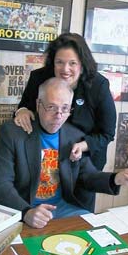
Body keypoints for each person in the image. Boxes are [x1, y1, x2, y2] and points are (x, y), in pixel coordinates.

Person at [0, 78, 128, 229]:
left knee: (95, 232)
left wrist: (117, 178)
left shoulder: (74, 136)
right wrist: (26, 212)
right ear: (38, 104)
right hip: (23, 208)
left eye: (65, 108)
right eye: (51, 107)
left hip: (62, 209)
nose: (58, 115)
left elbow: (88, 176)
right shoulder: (13, 133)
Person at [14, 33, 117, 211]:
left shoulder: (98, 86)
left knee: (79, 216)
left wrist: (83, 146)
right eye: (59, 62)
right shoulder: (39, 78)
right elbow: (25, 107)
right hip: (43, 162)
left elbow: (107, 133)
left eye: (72, 63)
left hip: (84, 163)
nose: (65, 69)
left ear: (82, 64)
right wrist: (22, 111)